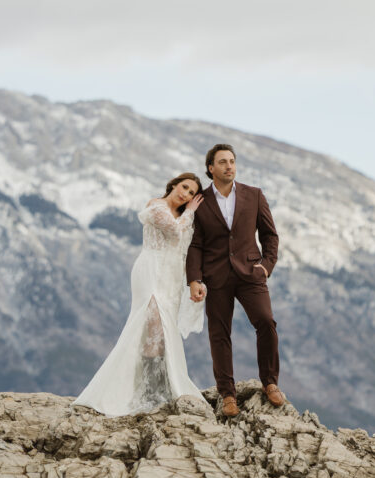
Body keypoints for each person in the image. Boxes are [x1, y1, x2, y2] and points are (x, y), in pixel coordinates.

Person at [73, 173, 208, 415]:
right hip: (151, 271)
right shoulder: (156, 206)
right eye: (184, 187)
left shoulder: (183, 216)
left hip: (172, 277)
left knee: (164, 332)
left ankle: (161, 387)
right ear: (174, 184)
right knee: (152, 326)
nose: (185, 194)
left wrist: (195, 280)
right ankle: (147, 392)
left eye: (191, 193)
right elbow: (175, 233)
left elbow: (186, 248)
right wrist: (191, 212)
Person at [186, 144, 284, 417]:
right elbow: (195, 244)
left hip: (251, 273)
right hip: (216, 275)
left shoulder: (254, 195)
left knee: (266, 321)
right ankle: (227, 394)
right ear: (211, 168)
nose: (229, 166)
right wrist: (194, 278)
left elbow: (270, 235)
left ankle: (270, 382)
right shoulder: (201, 202)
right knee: (219, 334)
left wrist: (266, 266)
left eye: (232, 161)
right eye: (222, 162)